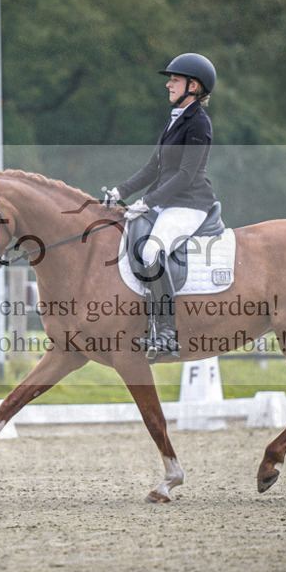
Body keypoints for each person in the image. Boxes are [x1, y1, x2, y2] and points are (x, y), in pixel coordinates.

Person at [103, 52, 218, 357]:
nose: (168, 84)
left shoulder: (199, 123)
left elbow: (185, 175)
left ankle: (166, 332)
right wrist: (119, 191)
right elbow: (152, 168)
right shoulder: (175, 119)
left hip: (189, 204)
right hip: (166, 202)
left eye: (175, 80)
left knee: (152, 250)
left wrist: (147, 201)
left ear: (193, 86)